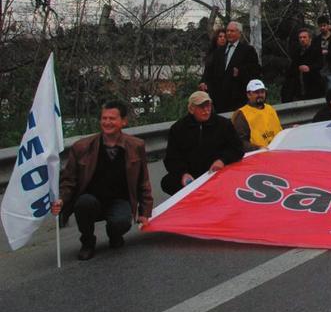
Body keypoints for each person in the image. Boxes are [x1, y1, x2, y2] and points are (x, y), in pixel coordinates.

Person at [50, 100, 152, 261]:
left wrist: (145, 212)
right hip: (91, 199)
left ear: (123, 121)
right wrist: (61, 200)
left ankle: (114, 234)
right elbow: (69, 180)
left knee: (122, 221)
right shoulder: (82, 147)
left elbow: (143, 181)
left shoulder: (136, 146)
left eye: (112, 118)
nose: (107, 122)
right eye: (104, 118)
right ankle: (88, 241)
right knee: (84, 203)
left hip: (120, 200)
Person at [162, 91, 243, 196]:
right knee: (167, 182)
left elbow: (238, 148)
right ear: (191, 109)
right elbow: (171, 158)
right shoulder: (178, 129)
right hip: (192, 176)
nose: (206, 110)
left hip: (217, 172)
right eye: (201, 107)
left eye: (208, 106)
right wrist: (183, 174)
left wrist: (222, 160)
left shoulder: (224, 124)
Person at [199, 20, 262, 113]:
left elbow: (255, 70)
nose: (229, 33)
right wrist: (203, 81)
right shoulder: (219, 51)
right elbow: (209, 70)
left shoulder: (247, 50)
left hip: (237, 97)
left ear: (239, 33)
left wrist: (240, 71)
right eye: (227, 31)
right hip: (219, 98)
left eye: (232, 31)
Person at [231, 79, 283, 152]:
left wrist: (290, 129)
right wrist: (257, 149)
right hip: (257, 156)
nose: (260, 95)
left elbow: (278, 130)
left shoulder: (270, 109)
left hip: (276, 152)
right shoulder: (241, 114)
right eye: (256, 92)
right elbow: (239, 142)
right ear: (248, 95)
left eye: (262, 92)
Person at [282, 27, 324, 103]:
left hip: (314, 82)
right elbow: (293, 67)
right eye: (300, 38)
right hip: (299, 84)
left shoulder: (316, 50)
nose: (302, 39)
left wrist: (309, 68)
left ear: (310, 38)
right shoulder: (297, 51)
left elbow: (320, 64)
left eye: (304, 37)